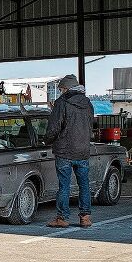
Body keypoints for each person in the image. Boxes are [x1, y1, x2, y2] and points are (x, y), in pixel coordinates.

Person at [44, 74, 94, 228]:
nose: (60, 91)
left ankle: (62, 218)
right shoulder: (87, 103)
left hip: (65, 151)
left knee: (64, 186)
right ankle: (85, 217)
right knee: (84, 185)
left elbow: (54, 127)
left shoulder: (62, 102)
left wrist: (47, 140)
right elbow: (91, 125)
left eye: (61, 89)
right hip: (83, 151)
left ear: (66, 88)